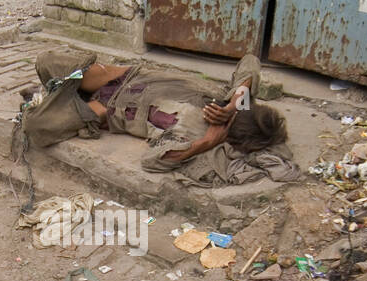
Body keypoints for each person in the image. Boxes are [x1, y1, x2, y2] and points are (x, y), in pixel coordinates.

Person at [22, 50, 300, 187]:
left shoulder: (191, 134)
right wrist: (236, 100)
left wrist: (204, 143)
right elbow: (250, 60)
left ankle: (59, 99)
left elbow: (152, 162)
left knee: (36, 125)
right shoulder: (229, 100)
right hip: (125, 76)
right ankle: (57, 96)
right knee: (46, 61)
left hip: (109, 108)